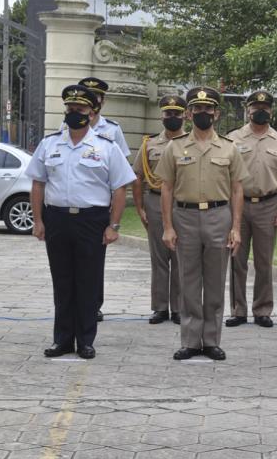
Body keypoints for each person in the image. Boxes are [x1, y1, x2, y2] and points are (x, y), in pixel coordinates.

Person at [28, 84, 135, 359]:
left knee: (88, 281)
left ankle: (86, 340)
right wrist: (38, 220)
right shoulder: (49, 144)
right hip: (58, 219)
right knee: (62, 281)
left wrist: (114, 226)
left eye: (81, 108)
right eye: (71, 108)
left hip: (91, 220)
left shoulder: (106, 147)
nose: (75, 112)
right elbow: (38, 184)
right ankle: (62, 340)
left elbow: (120, 188)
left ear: (92, 111)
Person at [155, 86, 248, 361]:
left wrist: (236, 227)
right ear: (189, 113)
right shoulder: (175, 147)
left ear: (216, 114)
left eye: (208, 109)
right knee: (189, 281)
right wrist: (168, 227)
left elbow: (237, 190)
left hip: (219, 217)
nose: (203, 113)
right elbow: (167, 189)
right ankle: (190, 341)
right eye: (197, 108)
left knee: (217, 281)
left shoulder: (229, 149)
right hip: (185, 217)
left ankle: (211, 341)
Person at [225, 90, 277, 329]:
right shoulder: (233, 139)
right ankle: (238, 310)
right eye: (255, 107)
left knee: (264, 261)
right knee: (236, 259)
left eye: (265, 107)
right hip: (238, 207)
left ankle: (262, 310)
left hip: (269, 205)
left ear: (271, 111)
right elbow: (226, 177)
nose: (260, 111)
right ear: (248, 109)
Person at [69, 77, 130, 323]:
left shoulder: (111, 129)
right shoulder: (68, 125)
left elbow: (122, 168)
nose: (94, 99)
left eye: (97, 96)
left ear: (100, 102)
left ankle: (94, 303)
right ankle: (72, 305)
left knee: (94, 262)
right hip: (71, 203)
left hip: (98, 205)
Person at [131, 95, 186, 325]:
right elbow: (137, 177)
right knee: (159, 258)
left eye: (176, 113)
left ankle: (179, 308)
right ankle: (160, 307)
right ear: (161, 115)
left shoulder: (191, 142)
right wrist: (140, 207)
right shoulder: (149, 144)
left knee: (182, 259)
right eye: (168, 113)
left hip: (182, 204)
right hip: (154, 203)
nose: (172, 117)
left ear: (185, 115)